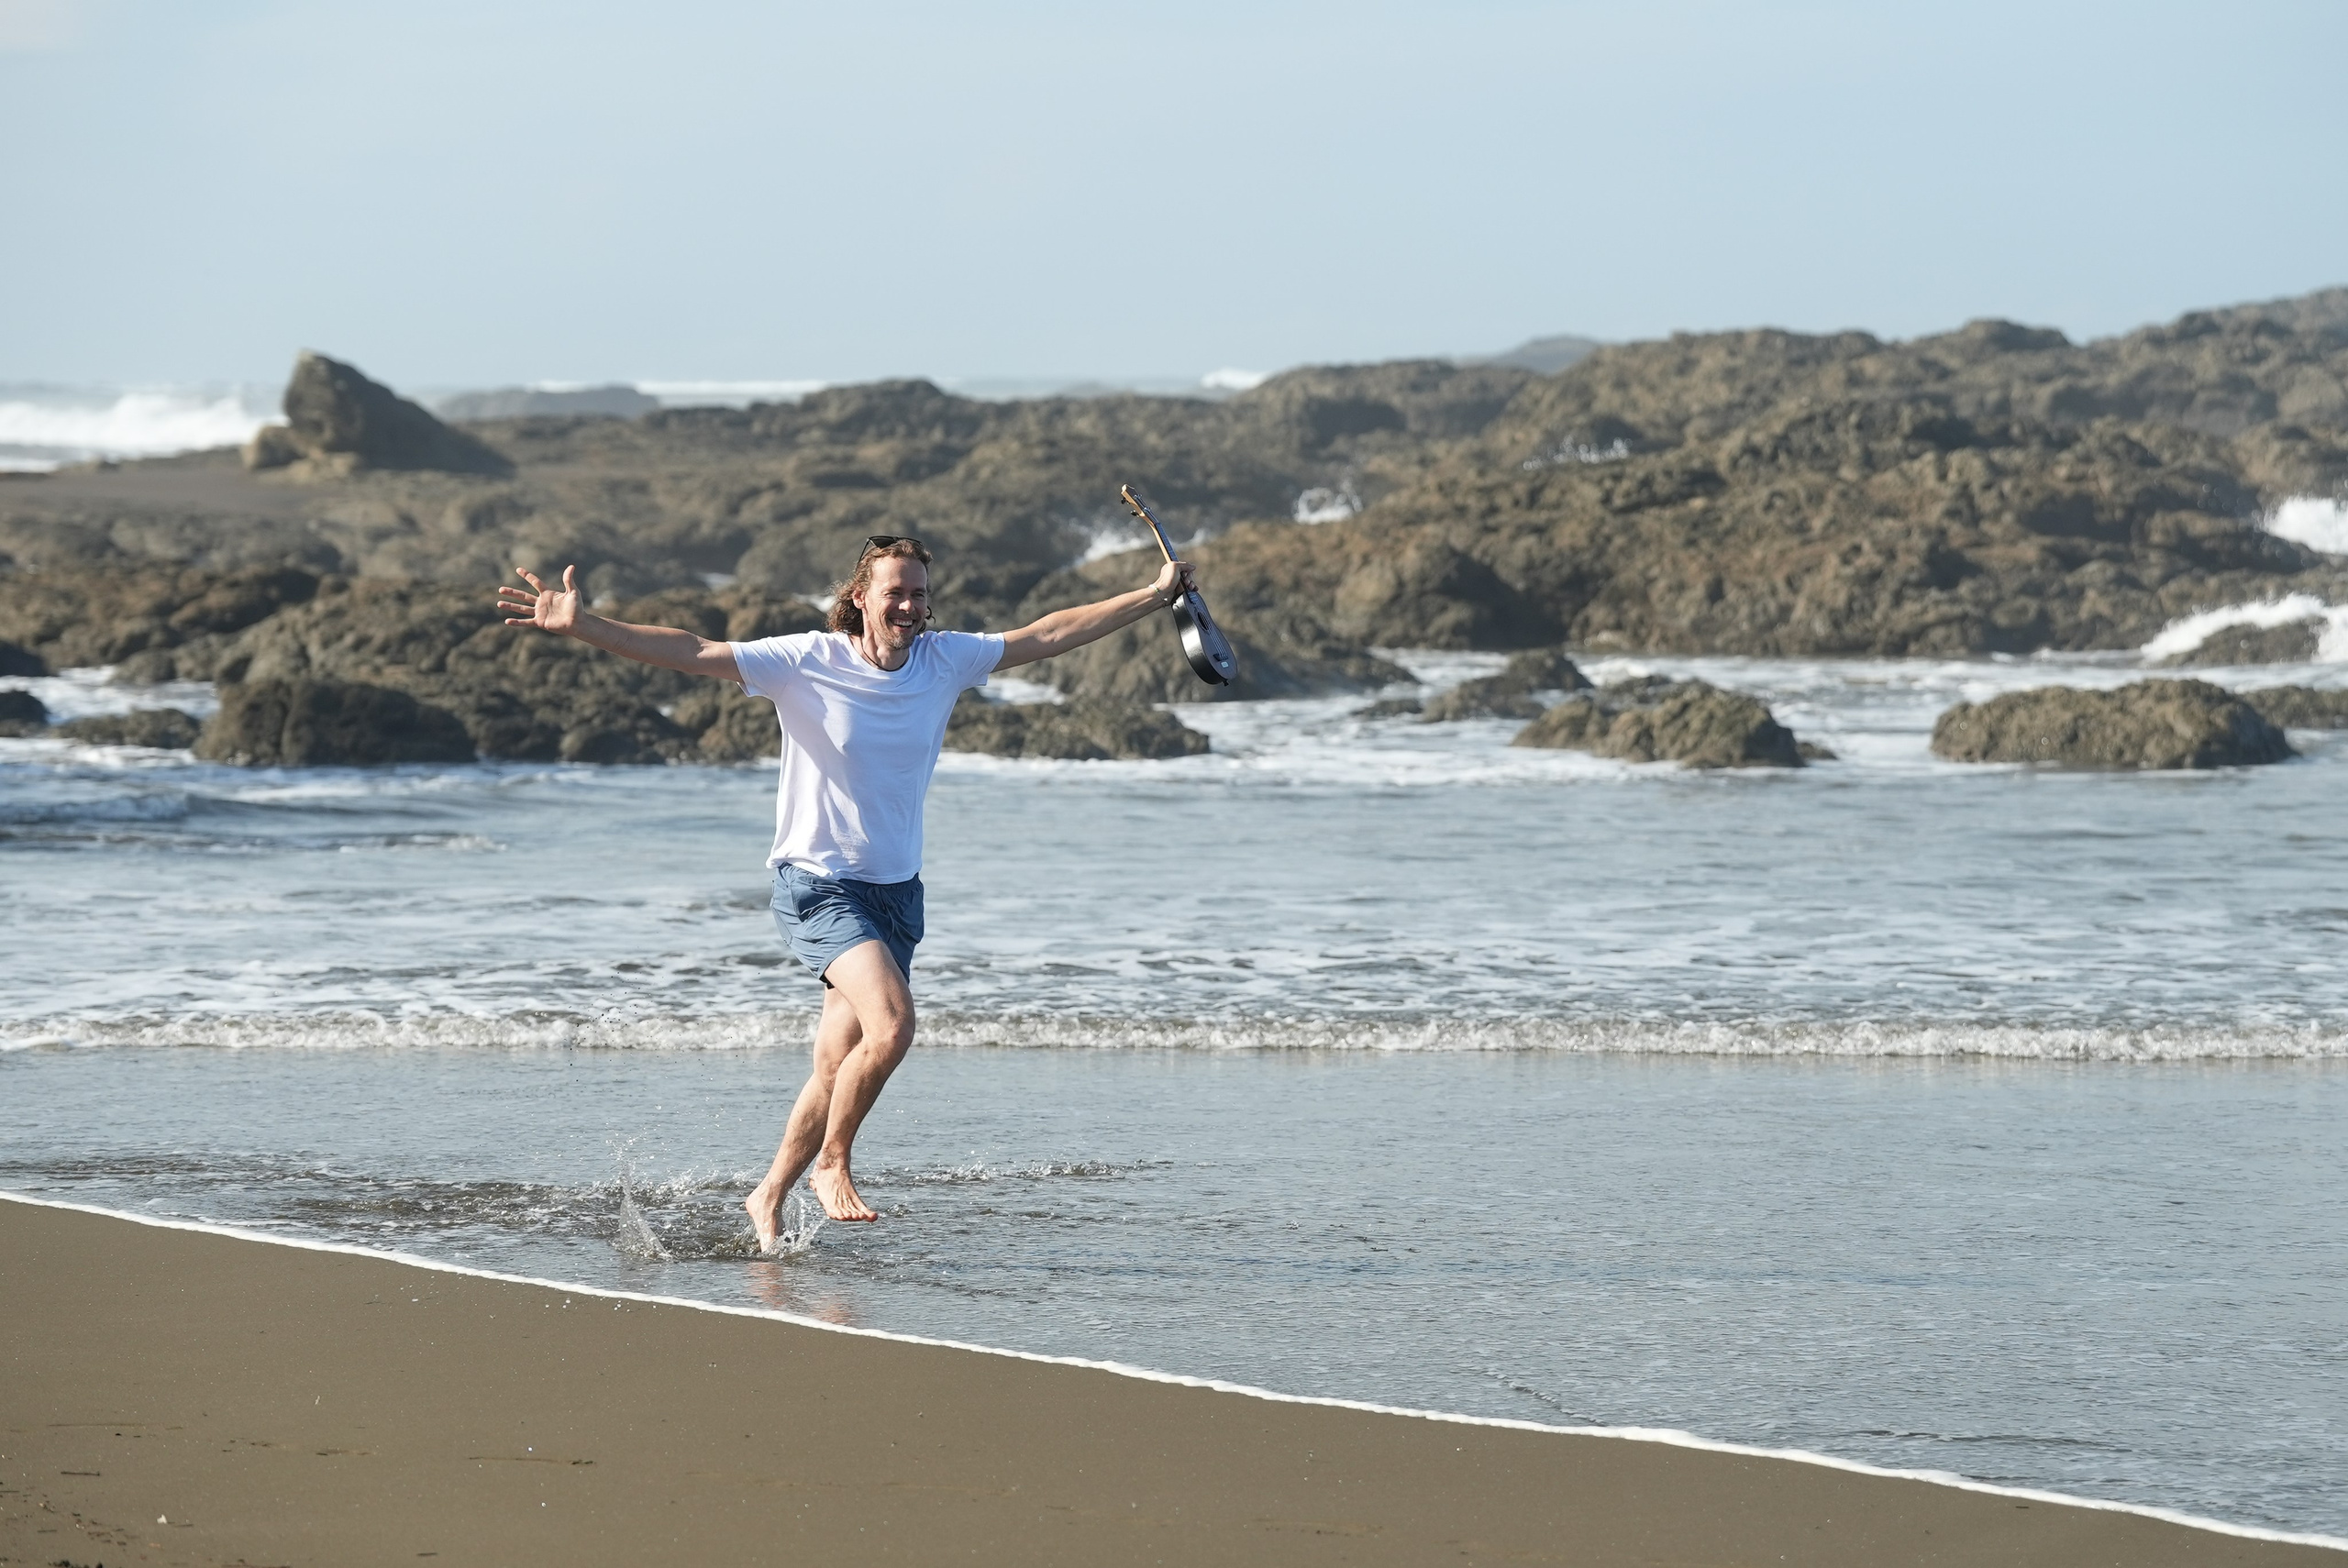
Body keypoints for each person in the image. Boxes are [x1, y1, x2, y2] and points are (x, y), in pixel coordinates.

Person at [497, 536, 1196, 1245]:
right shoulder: (805, 661)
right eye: (896, 592)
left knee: (837, 1069)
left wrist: (1152, 594)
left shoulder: (944, 659)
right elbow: (693, 650)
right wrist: (587, 626)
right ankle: (833, 1163)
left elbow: (1047, 634)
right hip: (818, 885)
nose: (911, 606)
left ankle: (766, 1194)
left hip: (896, 893)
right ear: (860, 597)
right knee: (893, 1027)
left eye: (921, 593)